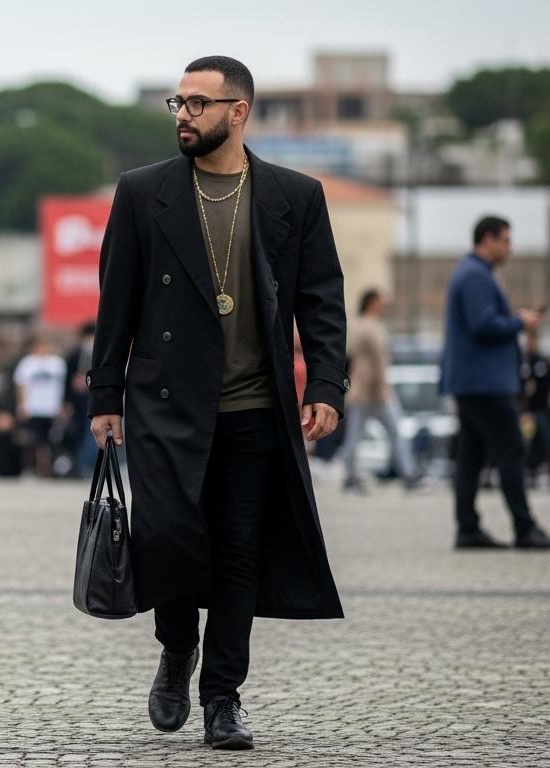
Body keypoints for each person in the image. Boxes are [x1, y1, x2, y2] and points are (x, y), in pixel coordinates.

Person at [88, 56, 348, 751]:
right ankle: (177, 649)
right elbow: (117, 300)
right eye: (178, 101)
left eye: (199, 104)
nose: (183, 114)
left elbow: (322, 300)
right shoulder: (144, 192)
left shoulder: (294, 195)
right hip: (167, 401)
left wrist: (325, 384)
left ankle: (223, 696)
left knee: (239, 553)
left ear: (239, 112)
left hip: (256, 406)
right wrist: (103, 393)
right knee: (168, 537)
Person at [439, 216, 550, 549]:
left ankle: (468, 528)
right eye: (505, 240)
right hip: (484, 383)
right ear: (488, 238)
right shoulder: (475, 275)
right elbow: (483, 324)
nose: (510, 248)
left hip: (475, 382)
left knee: (472, 455)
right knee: (512, 448)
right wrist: (520, 320)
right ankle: (524, 527)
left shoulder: (473, 273)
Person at [337, 289, 421, 492]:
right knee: (360, 435)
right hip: (369, 391)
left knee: (385, 433)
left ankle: (408, 473)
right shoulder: (363, 325)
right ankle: (351, 475)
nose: (384, 307)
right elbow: (361, 357)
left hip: (374, 391)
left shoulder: (372, 325)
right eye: (381, 303)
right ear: (371, 303)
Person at [13, 336, 67, 477]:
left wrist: (63, 405)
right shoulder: (27, 363)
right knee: (36, 441)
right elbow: (20, 386)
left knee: (52, 441)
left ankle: (51, 468)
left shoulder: (57, 363)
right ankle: (38, 468)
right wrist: (21, 406)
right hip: (34, 408)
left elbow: (63, 386)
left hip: (52, 409)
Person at [63, 322, 99, 477]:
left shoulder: (101, 354)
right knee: (80, 433)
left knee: (94, 434)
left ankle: (91, 466)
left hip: (96, 400)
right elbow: (66, 381)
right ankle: (81, 467)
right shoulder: (74, 356)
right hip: (79, 402)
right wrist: (67, 402)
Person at [523, 325, 550, 486]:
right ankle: (527, 469)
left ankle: (541, 468)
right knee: (524, 438)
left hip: (541, 409)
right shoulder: (521, 361)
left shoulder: (543, 362)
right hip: (525, 411)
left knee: (545, 437)